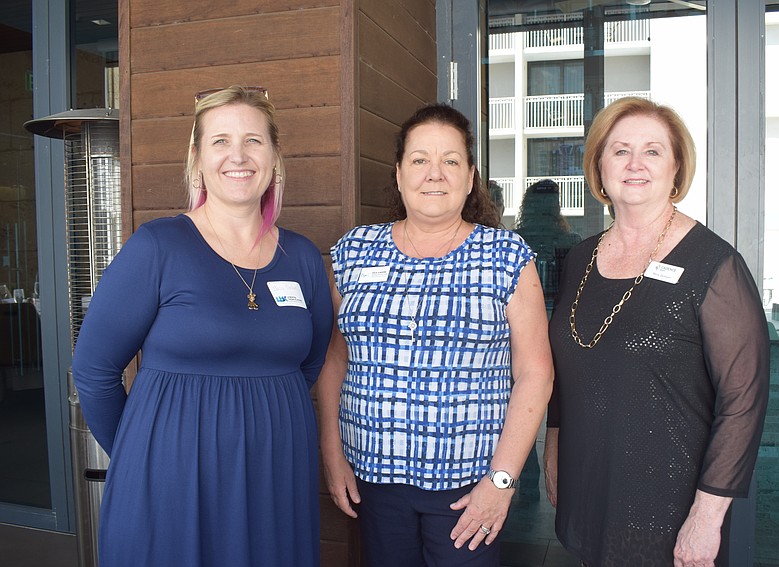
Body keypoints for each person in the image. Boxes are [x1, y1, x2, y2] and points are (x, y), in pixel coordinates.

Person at [71, 85, 333, 567]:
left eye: (254, 141)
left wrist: (262, 418)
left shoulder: (301, 258)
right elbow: (92, 369)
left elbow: (311, 360)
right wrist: (144, 455)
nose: (238, 155)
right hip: (173, 482)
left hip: (274, 476)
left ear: (275, 157)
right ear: (197, 159)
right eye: (220, 141)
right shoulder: (158, 247)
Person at [317, 103, 554, 566]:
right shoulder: (353, 250)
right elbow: (334, 358)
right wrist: (332, 450)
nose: (435, 174)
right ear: (400, 173)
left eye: (450, 161)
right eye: (420, 160)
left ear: (469, 178)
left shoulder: (505, 255)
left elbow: (535, 373)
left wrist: (501, 482)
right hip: (374, 480)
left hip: (469, 486)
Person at [543, 97, 770, 567]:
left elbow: (743, 403)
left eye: (653, 151)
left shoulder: (715, 264)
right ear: (599, 166)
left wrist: (706, 519)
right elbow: (569, 371)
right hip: (589, 489)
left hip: (669, 505)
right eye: (620, 150)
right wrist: (554, 449)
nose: (635, 164)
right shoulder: (580, 259)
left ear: (676, 168)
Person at [514, 178, 582, 307]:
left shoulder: (515, 240)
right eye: (543, 201)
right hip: (526, 308)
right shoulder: (516, 241)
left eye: (552, 201)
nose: (549, 206)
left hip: (559, 308)